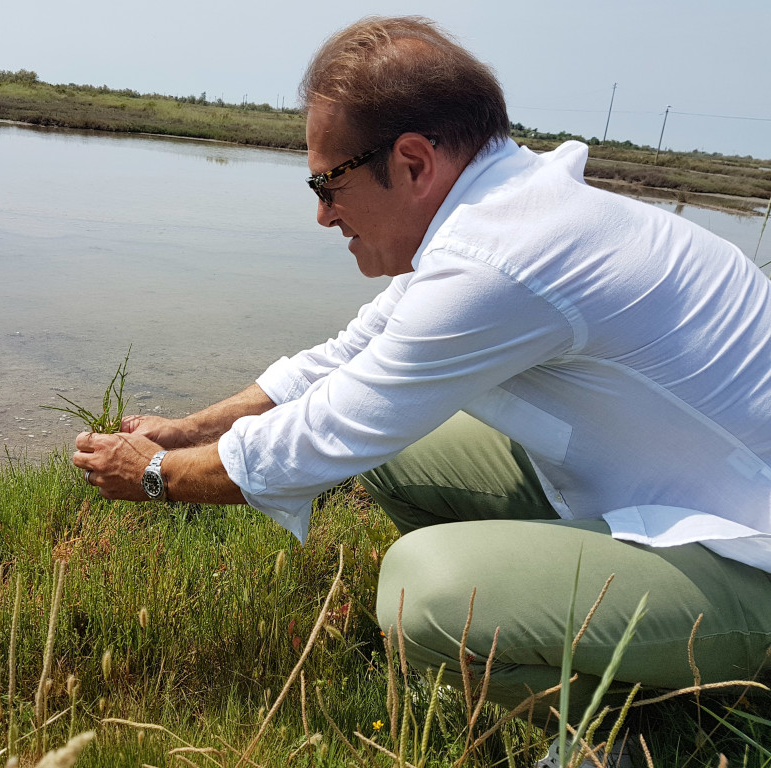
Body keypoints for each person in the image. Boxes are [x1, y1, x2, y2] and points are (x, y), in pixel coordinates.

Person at [72, 14, 771, 752]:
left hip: (744, 554)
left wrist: (152, 473)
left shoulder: (501, 259)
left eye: (326, 181)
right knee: (402, 452)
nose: (321, 214)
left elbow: (327, 432)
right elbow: (345, 359)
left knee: (423, 593)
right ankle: (552, 630)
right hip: (664, 485)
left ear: (411, 162)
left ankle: (641, 735)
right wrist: (187, 429)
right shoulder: (506, 208)